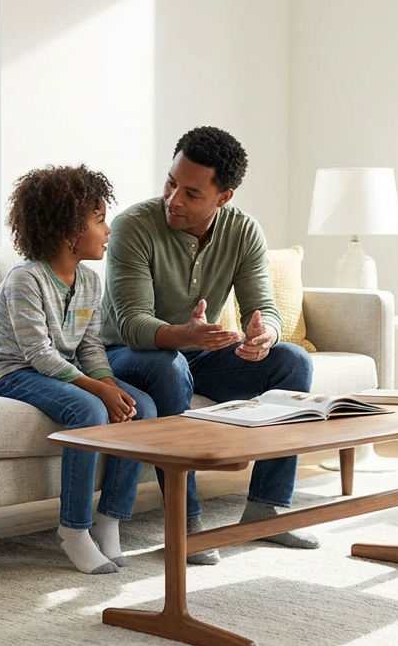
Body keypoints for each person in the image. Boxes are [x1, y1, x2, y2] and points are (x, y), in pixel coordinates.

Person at [101, 125, 317, 565]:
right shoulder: (133, 226)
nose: (174, 199)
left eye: (192, 194)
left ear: (224, 197)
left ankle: (267, 508)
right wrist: (185, 334)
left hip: (197, 352)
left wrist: (265, 335)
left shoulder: (243, 231)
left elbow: (265, 308)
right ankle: (185, 519)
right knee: (167, 366)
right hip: (126, 356)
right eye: (171, 183)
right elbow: (132, 324)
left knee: (291, 361)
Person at [0, 165, 156, 575]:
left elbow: (91, 346)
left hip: (61, 367)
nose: (108, 228)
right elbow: (39, 354)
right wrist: (99, 395)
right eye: (99, 220)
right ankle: (73, 530)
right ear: (70, 230)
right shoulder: (25, 280)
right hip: (13, 372)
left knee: (143, 408)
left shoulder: (92, 282)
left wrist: (111, 386)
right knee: (90, 412)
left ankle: (109, 519)